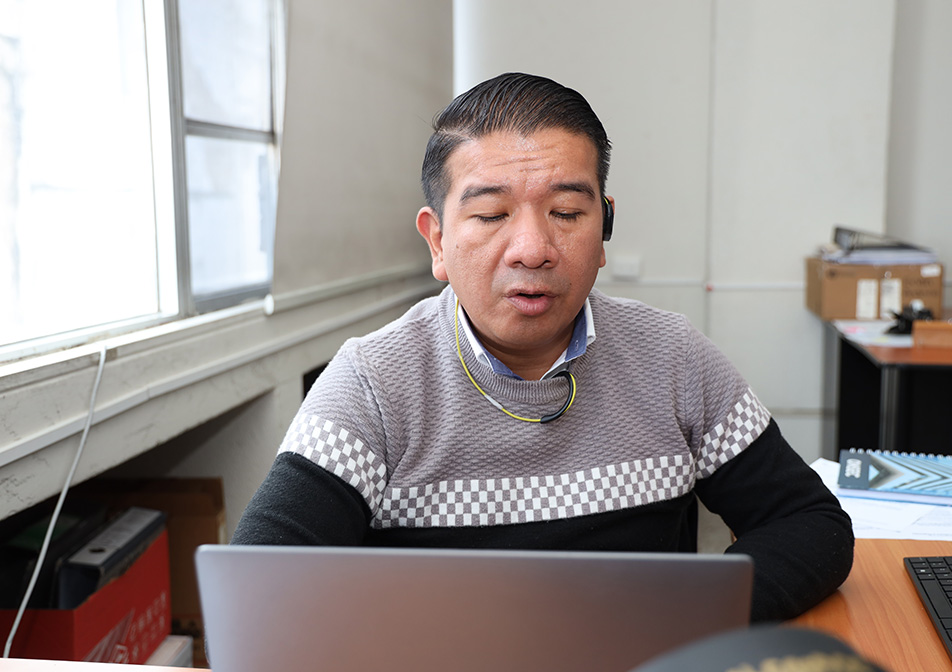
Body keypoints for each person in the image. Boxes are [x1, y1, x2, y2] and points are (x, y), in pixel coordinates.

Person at [231, 72, 854, 622]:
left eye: (566, 212)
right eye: (491, 215)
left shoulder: (673, 359)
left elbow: (811, 525)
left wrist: (686, 617)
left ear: (603, 229)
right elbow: (260, 595)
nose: (532, 249)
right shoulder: (373, 384)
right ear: (437, 241)